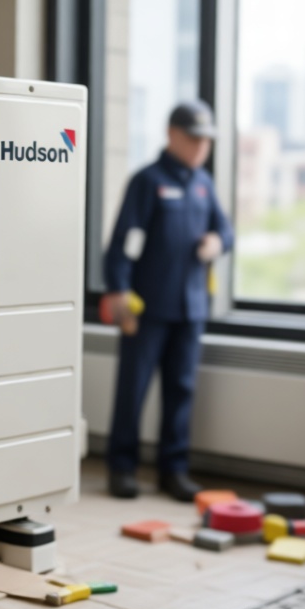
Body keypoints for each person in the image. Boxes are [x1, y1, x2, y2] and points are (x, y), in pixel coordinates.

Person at [102, 100, 233, 501]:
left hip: (190, 309)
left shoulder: (203, 184)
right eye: (193, 139)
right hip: (148, 308)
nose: (200, 148)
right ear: (172, 135)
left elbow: (226, 232)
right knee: (133, 389)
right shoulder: (148, 181)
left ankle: (172, 470)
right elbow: (123, 245)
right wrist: (120, 292)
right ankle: (122, 468)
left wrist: (216, 243)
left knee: (181, 389)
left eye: (206, 141)